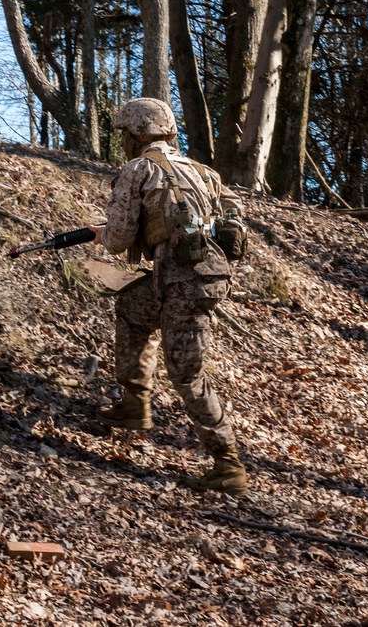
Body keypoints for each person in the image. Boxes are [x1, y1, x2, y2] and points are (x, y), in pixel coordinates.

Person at [87, 97, 248, 497]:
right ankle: (135, 402)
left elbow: (119, 238)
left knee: (187, 374)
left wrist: (102, 233)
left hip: (185, 285)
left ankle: (227, 464)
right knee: (133, 310)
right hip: (192, 278)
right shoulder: (202, 171)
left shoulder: (137, 169)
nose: (123, 141)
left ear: (137, 134)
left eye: (125, 133)